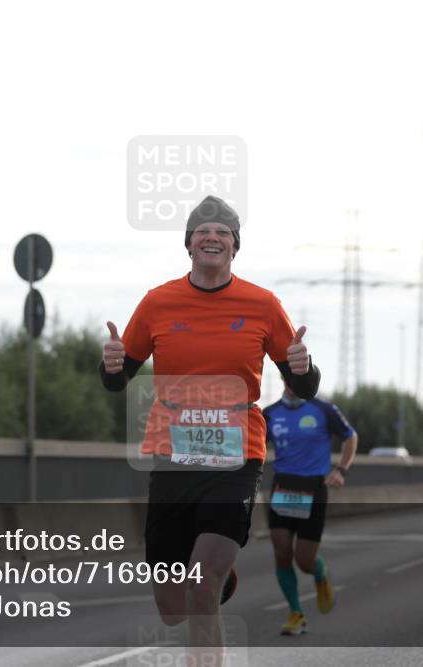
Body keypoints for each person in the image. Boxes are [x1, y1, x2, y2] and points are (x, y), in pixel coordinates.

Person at [100, 195, 320, 656]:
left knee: (200, 589)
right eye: (203, 231)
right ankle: (220, 575)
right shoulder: (158, 302)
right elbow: (118, 380)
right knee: (172, 605)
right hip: (172, 455)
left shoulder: (262, 304)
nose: (213, 237)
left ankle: (212, 574)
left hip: (236, 457)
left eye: (223, 232)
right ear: (189, 244)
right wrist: (113, 364)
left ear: (235, 246)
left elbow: (304, 383)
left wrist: (302, 366)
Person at [263, 383, 357, 636]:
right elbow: (252, 445)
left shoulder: (324, 409)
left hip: (313, 489)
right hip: (283, 487)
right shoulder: (269, 413)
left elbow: (350, 436)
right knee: (282, 553)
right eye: (289, 375)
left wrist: (341, 470)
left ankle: (320, 572)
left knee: (303, 560)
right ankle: (296, 614)